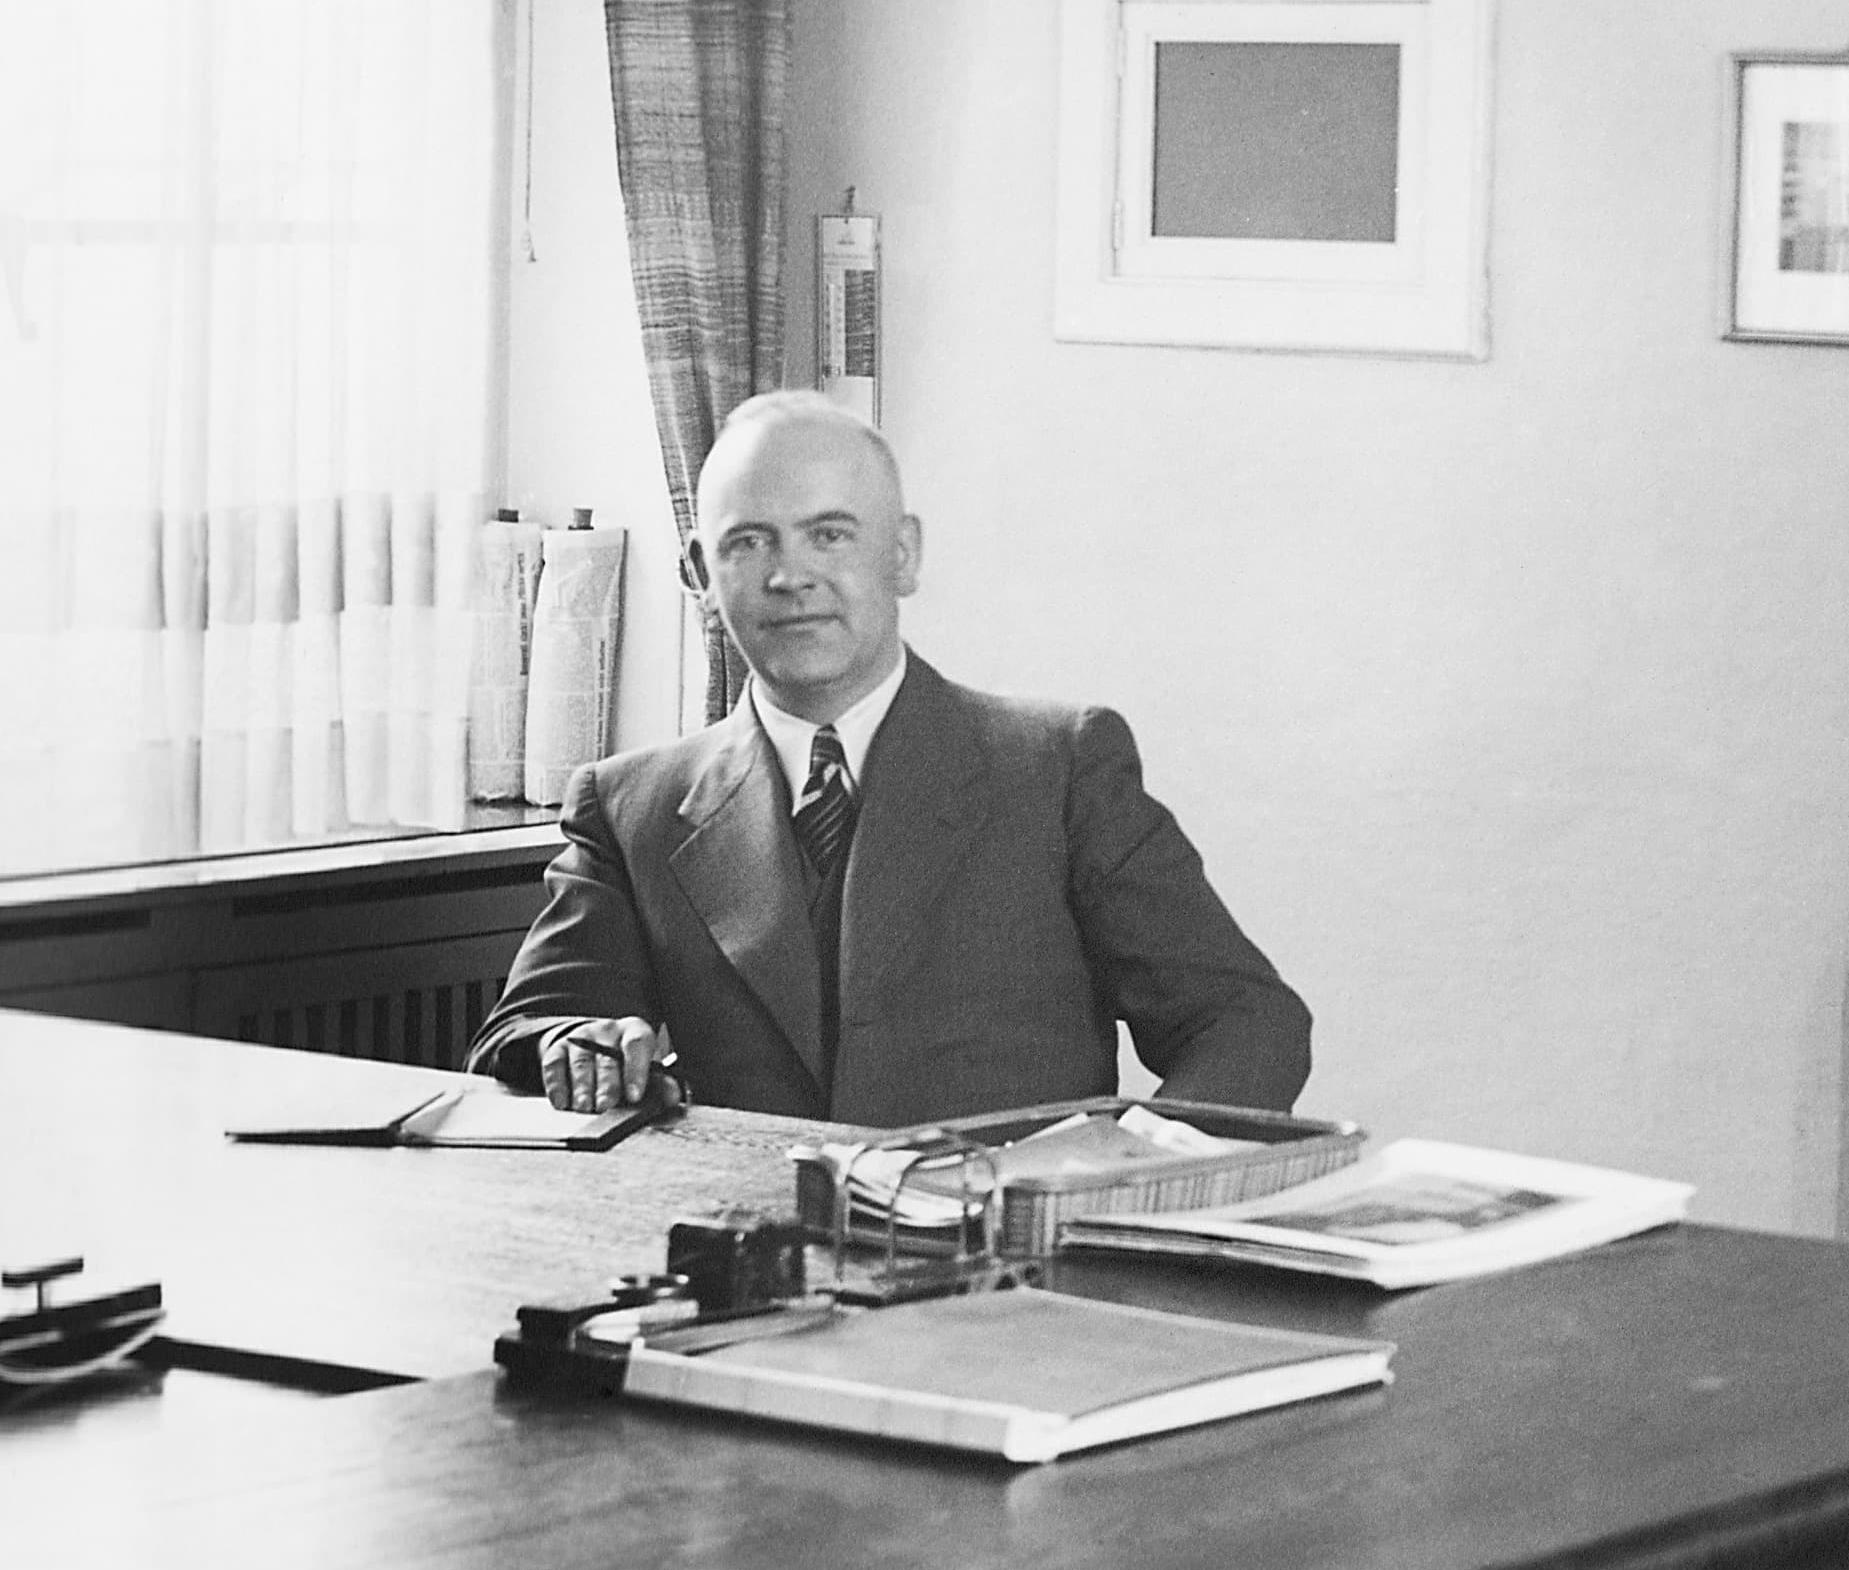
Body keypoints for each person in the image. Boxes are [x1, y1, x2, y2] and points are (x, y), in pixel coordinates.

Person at [465, 391, 1311, 1126]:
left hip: (999, 1281)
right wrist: (576, 1042)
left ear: (902, 554)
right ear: (699, 575)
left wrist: (1122, 1187)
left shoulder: (1057, 768)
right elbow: (525, 1028)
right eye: (748, 543)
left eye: (829, 535)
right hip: (740, 1277)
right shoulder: (630, 807)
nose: (790, 576)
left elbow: (1245, 1023)